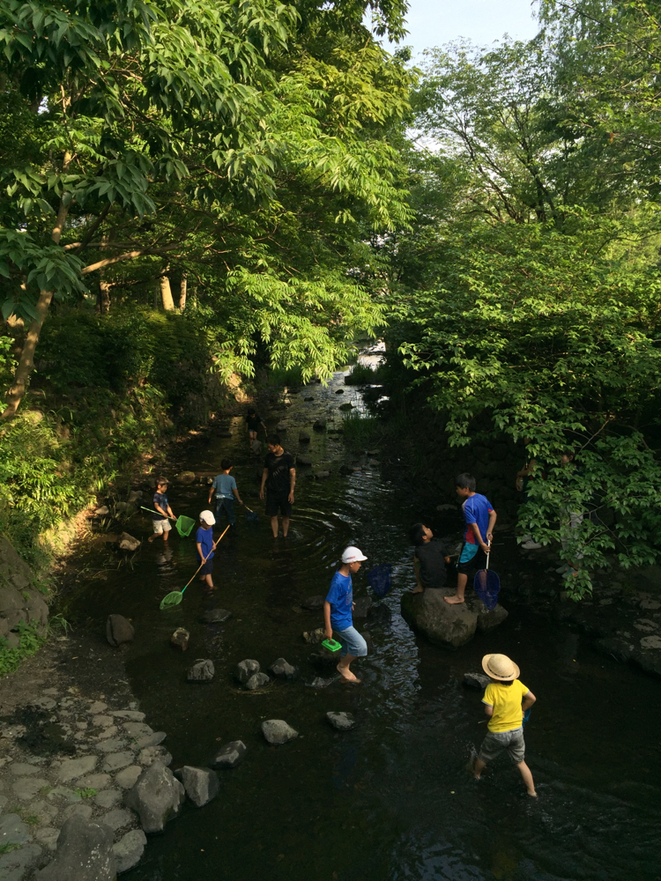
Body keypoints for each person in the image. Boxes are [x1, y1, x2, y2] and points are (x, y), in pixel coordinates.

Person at [472, 653, 537, 797]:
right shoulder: (518, 684)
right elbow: (532, 698)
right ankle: (532, 791)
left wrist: (497, 713)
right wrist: (522, 709)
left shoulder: (492, 689)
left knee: (483, 756)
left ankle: (476, 775)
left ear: (493, 676)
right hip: (517, 731)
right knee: (520, 762)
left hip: (498, 734)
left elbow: (489, 711)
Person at [444, 473, 497, 605]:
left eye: (458, 488)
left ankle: (459, 596)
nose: (457, 491)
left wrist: (480, 543)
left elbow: (473, 526)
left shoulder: (467, 505)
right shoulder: (483, 498)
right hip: (485, 540)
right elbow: (493, 514)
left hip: (472, 542)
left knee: (463, 568)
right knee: (482, 567)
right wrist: (489, 532)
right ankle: (484, 591)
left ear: (465, 489)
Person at [323, 546, 368, 683]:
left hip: (346, 616)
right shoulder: (338, 582)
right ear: (351, 563)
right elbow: (327, 603)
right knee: (361, 646)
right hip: (340, 621)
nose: (360, 565)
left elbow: (343, 594)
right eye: (359, 563)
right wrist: (328, 628)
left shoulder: (347, 575)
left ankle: (343, 680)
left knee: (347, 648)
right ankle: (342, 666)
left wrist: (348, 602)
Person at [260, 435, 296, 538]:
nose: (268, 449)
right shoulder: (268, 457)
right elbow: (265, 472)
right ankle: (275, 537)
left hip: (285, 490)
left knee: (286, 516)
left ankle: (285, 536)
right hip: (271, 490)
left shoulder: (287, 457)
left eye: (270, 446)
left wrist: (291, 492)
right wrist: (262, 488)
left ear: (276, 445)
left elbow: (293, 474)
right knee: (273, 516)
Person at [409, 523, 451, 594]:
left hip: (427, 582)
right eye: (426, 529)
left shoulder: (418, 550)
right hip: (442, 581)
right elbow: (448, 561)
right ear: (424, 537)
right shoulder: (439, 545)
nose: (429, 529)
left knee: (416, 560)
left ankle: (419, 586)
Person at [208, 459, 243, 527]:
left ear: (221, 467)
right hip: (228, 499)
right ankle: (232, 530)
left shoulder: (218, 477)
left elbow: (212, 489)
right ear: (231, 467)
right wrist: (239, 499)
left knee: (217, 516)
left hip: (219, 499)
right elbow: (235, 490)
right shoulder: (231, 479)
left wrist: (210, 497)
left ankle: (215, 530)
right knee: (230, 516)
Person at [148, 478, 175, 543]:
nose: (166, 488)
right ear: (159, 486)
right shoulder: (156, 496)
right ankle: (151, 538)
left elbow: (167, 506)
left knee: (167, 530)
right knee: (159, 533)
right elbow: (156, 506)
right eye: (165, 487)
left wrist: (171, 514)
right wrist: (163, 512)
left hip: (164, 517)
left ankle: (165, 543)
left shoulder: (165, 496)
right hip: (157, 518)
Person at [195, 510, 216, 590]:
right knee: (208, 572)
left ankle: (200, 581)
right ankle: (211, 587)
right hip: (204, 557)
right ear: (201, 522)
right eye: (208, 524)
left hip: (209, 554)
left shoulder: (210, 528)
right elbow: (198, 545)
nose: (210, 526)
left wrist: (213, 543)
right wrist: (202, 558)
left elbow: (210, 537)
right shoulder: (199, 532)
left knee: (203, 571)